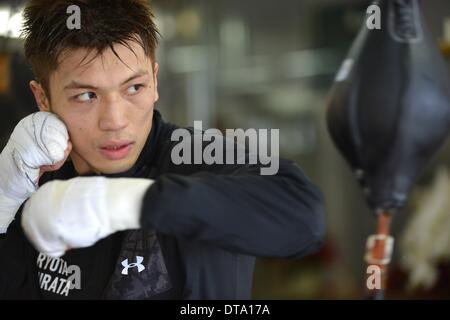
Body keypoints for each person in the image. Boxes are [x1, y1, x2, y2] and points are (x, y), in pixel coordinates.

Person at [0, 0, 325, 299]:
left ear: (154, 81)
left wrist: (126, 202)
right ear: (43, 98)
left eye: (134, 87)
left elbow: (305, 219)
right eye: (87, 96)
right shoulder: (32, 176)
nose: (115, 121)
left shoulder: (197, 155)